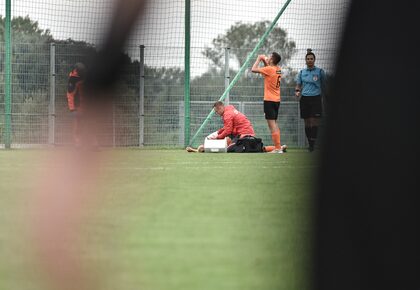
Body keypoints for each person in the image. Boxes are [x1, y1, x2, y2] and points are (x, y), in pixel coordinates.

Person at [186, 101, 283, 153]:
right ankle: (278, 147)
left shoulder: (227, 115)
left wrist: (217, 138)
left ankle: (202, 149)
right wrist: (219, 132)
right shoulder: (228, 110)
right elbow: (228, 128)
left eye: (216, 111)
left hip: (244, 135)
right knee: (256, 148)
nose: (216, 113)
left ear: (220, 108)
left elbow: (228, 130)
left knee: (228, 149)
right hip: (245, 134)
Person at [251, 52, 286, 153]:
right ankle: (278, 147)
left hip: (269, 100)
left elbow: (253, 69)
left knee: (272, 125)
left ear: (272, 59)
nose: (268, 57)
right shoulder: (278, 69)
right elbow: (267, 72)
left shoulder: (269, 69)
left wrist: (259, 58)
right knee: (274, 123)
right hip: (276, 100)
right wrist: (265, 61)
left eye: (270, 56)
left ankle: (278, 148)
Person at [294, 48, 326, 152]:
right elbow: (298, 84)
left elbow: (325, 86)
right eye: (308, 59)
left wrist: (325, 97)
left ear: (314, 60)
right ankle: (310, 143)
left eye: (311, 58)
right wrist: (297, 91)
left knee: (314, 122)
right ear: (306, 60)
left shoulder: (320, 72)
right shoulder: (302, 72)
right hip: (305, 99)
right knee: (307, 122)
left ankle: (312, 144)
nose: (310, 60)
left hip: (316, 98)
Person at [66, 62, 98, 150]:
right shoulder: (73, 79)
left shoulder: (85, 77)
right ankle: (78, 144)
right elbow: (70, 94)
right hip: (78, 106)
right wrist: (72, 109)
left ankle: (93, 143)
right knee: (78, 125)